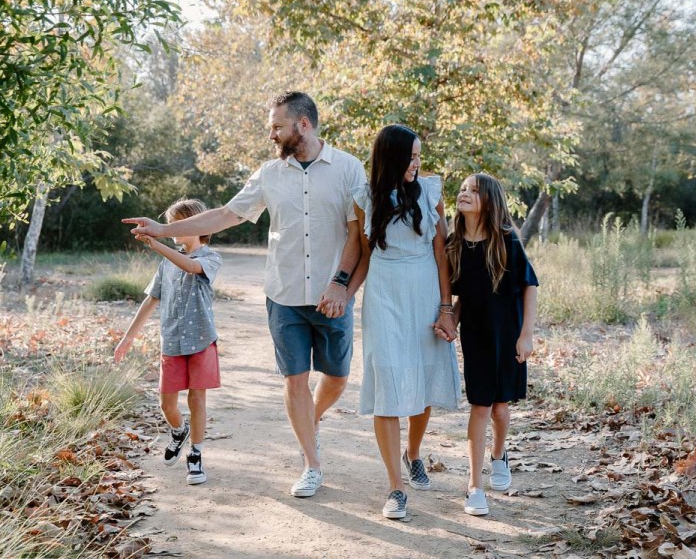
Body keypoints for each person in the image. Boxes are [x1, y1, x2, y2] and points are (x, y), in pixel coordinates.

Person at [122, 91, 367, 498]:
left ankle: (313, 418)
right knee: (295, 381)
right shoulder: (269, 173)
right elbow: (226, 214)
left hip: (331, 294)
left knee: (337, 378)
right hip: (284, 294)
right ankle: (311, 463)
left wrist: (341, 283)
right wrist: (163, 230)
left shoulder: (347, 168)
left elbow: (357, 233)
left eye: (277, 126)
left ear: (302, 124)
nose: (271, 134)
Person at [349, 124, 460, 520]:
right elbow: (363, 255)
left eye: (418, 156)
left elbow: (442, 254)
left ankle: (413, 453)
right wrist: (344, 294)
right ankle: (395, 488)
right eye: (410, 156)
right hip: (382, 295)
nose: (416, 163)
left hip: (424, 292)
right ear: (391, 157)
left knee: (423, 384)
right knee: (388, 383)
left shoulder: (431, 192)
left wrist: (447, 308)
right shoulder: (364, 198)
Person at [444, 173, 539, 517]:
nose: (464, 193)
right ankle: (474, 486)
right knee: (480, 407)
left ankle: (499, 455)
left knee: (500, 408)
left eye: (473, 190)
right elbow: (464, 296)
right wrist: (451, 319)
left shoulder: (506, 240)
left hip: (509, 333)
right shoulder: (454, 244)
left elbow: (530, 286)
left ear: (490, 200)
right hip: (477, 336)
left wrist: (527, 333)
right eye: (463, 189)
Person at [115, 198, 222, 486]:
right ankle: (179, 431)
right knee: (167, 405)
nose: (172, 228)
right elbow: (152, 299)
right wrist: (128, 337)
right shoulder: (166, 262)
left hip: (201, 340)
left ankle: (196, 454)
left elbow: (190, 266)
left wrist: (156, 242)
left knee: (197, 399)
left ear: (198, 225)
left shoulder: (210, 258)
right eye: (170, 222)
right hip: (172, 341)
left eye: (178, 223)